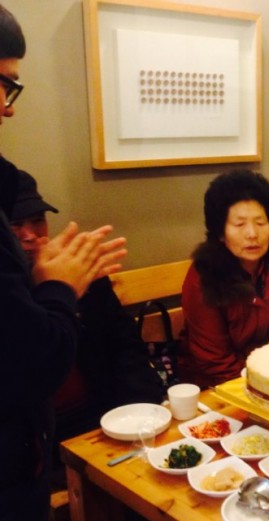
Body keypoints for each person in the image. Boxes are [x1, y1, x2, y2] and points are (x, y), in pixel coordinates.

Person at [0, 6, 127, 521]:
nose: (9, 106)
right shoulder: (57, 279)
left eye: (39, 222)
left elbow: (126, 355)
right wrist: (56, 287)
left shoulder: (82, 280)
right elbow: (34, 363)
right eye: (5, 83)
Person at [9, 169, 164, 459]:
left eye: (37, 220)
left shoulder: (82, 274)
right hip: (40, 437)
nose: (30, 235)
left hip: (107, 416)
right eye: (15, 224)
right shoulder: (11, 295)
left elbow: (126, 348)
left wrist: (146, 416)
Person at [180, 170, 269, 388]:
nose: (252, 234)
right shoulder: (205, 277)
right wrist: (265, 382)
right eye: (239, 224)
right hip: (224, 386)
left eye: (260, 223)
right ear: (221, 233)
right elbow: (215, 362)